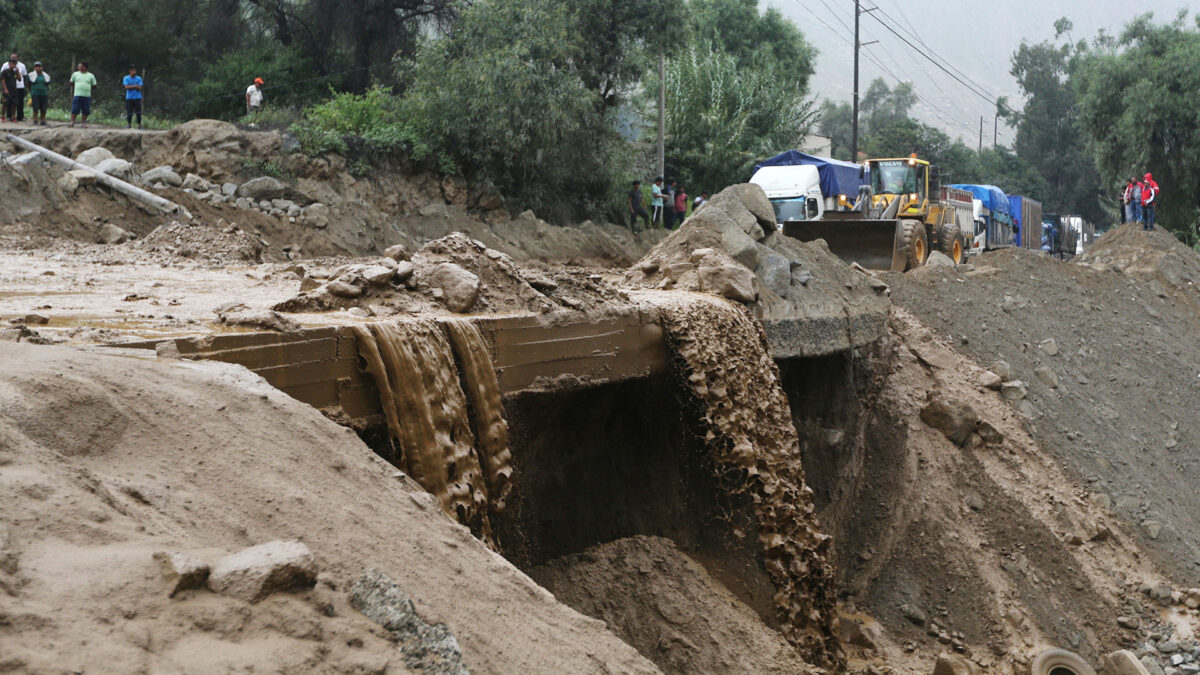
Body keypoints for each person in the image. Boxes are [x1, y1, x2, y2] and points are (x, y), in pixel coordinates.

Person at [0, 54, 28, 122]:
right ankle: (3, 116)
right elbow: (2, 80)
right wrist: (5, 89)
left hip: (14, 89)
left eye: (14, 64)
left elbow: (19, 79)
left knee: (14, 103)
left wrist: (18, 72)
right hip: (7, 89)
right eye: (12, 63)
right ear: (9, 64)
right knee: (5, 103)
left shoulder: (14, 72)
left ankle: (13, 117)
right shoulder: (5, 71)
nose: (13, 65)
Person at [69, 62, 97, 128]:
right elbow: (71, 83)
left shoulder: (91, 75)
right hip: (77, 94)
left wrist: (87, 88)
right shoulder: (75, 74)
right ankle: (72, 122)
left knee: (85, 109)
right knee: (75, 109)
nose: (78, 67)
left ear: (84, 67)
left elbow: (94, 85)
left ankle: (83, 123)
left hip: (87, 95)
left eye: (80, 66)